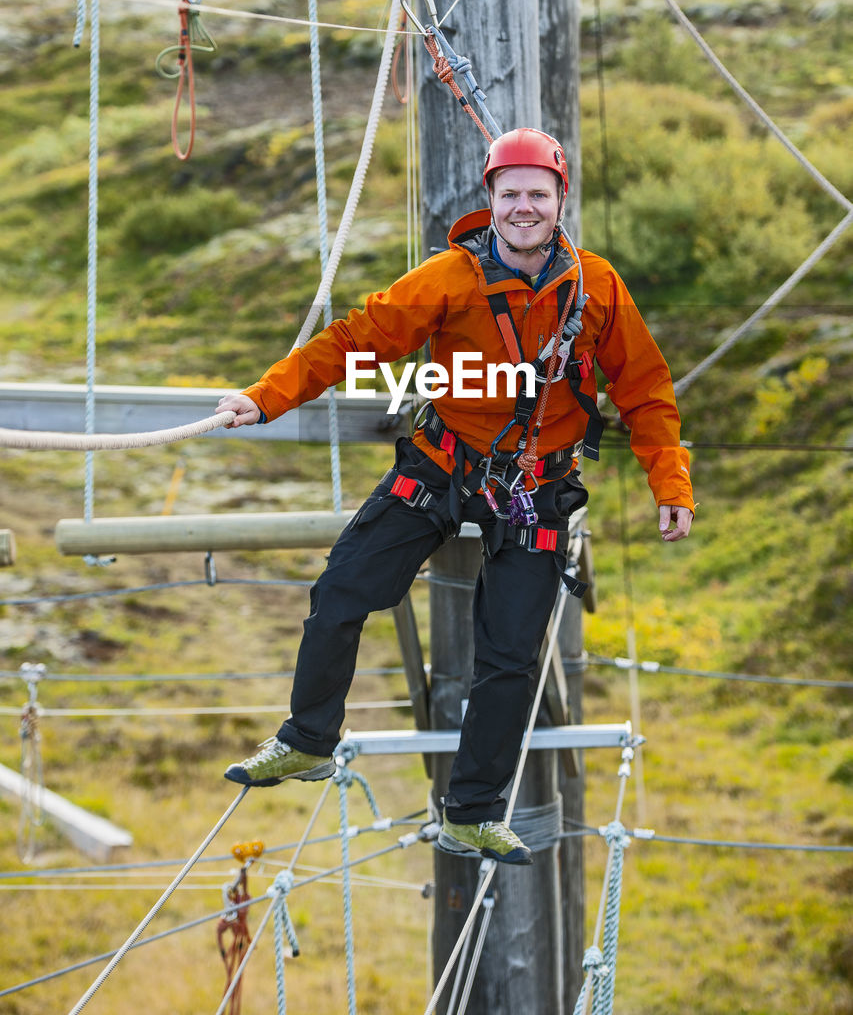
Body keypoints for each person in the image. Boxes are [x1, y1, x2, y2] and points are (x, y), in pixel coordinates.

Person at [217, 127, 693, 865]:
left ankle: (470, 813)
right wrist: (265, 398)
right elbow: (354, 339)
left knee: (508, 658)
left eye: (538, 194)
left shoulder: (594, 285)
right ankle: (307, 740)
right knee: (342, 591)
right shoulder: (450, 278)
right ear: (490, 201)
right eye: (511, 195)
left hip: (538, 483)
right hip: (443, 465)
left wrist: (670, 480)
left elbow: (644, 387)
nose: (524, 208)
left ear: (560, 200)